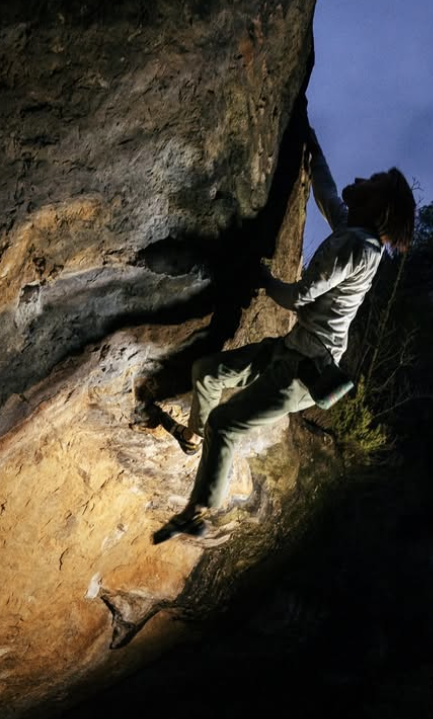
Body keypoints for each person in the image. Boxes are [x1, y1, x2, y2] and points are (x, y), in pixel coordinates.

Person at [153, 127, 416, 541]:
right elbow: (328, 194)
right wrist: (313, 148)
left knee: (226, 423)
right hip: (292, 352)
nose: (362, 180)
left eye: (371, 183)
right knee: (207, 371)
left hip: (302, 374)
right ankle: (193, 439)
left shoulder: (354, 246)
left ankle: (201, 511)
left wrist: (263, 277)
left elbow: (299, 297)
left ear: (377, 206)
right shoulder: (357, 236)